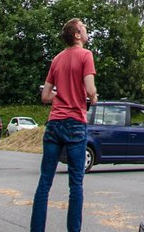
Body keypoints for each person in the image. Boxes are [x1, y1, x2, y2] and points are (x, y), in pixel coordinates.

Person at [31, 18, 98, 232]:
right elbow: (89, 90)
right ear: (77, 35)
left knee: (45, 182)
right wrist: (93, 97)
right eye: (84, 28)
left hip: (54, 123)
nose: (86, 31)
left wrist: (62, 95)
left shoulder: (57, 59)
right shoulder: (86, 55)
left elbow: (45, 95)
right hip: (75, 124)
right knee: (75, 184)